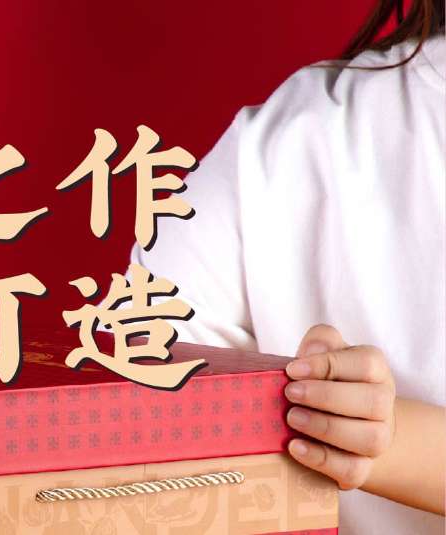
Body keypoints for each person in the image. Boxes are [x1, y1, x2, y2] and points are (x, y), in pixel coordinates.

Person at [131, 1, 446, 532]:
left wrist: (390, 440)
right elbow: (137, 399)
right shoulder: (287, 144)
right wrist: (326, 416)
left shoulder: (290, 140)